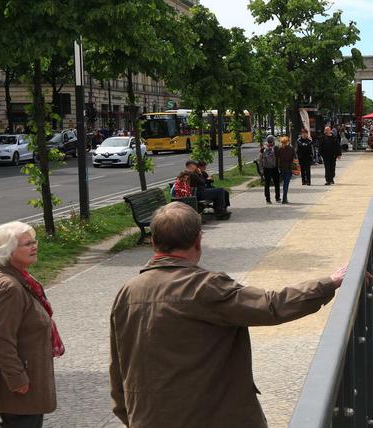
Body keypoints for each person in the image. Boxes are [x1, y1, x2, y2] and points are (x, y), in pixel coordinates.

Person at [109, 203, 346, 427]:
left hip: (146, 418)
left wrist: (130, 415)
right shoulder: (204, 287)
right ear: (198, 240)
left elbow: (118, 367)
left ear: (154, 242)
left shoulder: (127, 292)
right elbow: (271, 306)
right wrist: (330, 283)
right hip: (207, 417)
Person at [0, 221, 63, 428]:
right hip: (20, 382)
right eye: (27, 244)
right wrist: (18, 379)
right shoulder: (9, 287)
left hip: (19, 377)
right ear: (7, 251)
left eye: (34, 241)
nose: (34, 246)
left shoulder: (1, 275)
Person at [259, 136, 281, 204]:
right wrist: (279, 167)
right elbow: (279, 158)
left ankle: (268, 199)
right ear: (273, 141)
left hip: (266, 168)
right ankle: (277, 198)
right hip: (274, 168)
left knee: (267, 184)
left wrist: (261, 168)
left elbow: (260, 159)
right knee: (276, 183)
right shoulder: (276, 148)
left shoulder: (263, 149)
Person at [276, 135, 296, 204]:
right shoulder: (291, 149)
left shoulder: (279, 149)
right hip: (288, 168)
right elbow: (294, 158)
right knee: (286, 184)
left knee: (283, 183)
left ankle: (281, 197)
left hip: (281, 168)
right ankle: (284, 198)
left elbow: (277, 159)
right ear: (287, 142)